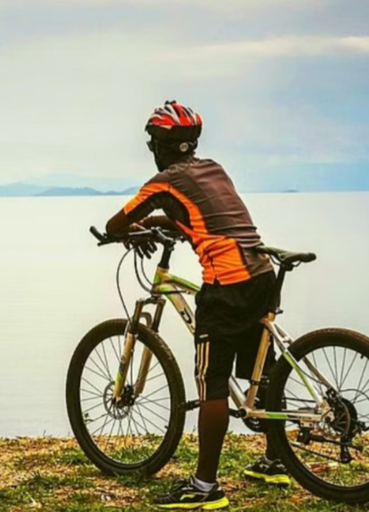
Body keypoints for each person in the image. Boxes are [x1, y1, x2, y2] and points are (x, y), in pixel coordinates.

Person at [105, 101, 291, 510]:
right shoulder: (215, 169)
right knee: (261, 376)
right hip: (260, 275)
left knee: (213, 384)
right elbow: (203, 219)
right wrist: (159, 224)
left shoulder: (163, 182)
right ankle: (278, 459)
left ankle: (205, 487)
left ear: (159, 146)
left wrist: (134, 228)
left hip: (226, 288)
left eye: (152, 141)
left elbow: (114, 225)